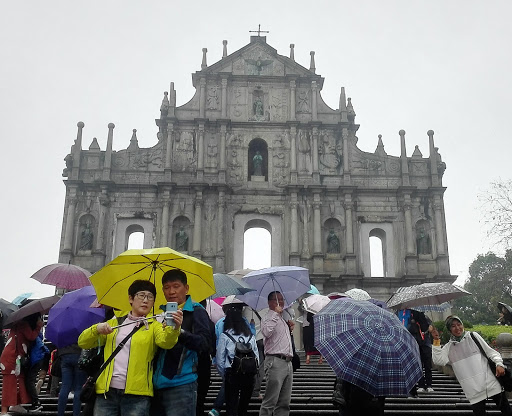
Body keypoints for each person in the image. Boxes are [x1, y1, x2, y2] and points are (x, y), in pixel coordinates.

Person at [78, 280, 181, 416]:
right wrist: (96, 329)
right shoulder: (115, 323)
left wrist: (174, 328)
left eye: (150, 297)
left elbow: (166, 342)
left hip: (138, 395)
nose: (145, 300)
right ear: (131, 299)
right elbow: (83, 342)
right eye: (141, 295)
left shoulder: (154, 326)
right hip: (107, 393)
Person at [152, 269, 211, 416]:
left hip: (182, 383)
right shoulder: (160, 314)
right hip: (155, 385)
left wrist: (180, 332)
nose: (171, 291)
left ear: (186, 288)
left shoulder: (196, 311)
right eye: (166, 287)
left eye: (176, 286)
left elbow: (205, 344)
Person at [432, 315, 512, 416]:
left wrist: (499, 364)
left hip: (491, 385)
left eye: (459, 324)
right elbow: (438, 360)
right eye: (453, 326)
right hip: (473, 392)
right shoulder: (449, 348)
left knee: (507, 411)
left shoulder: (473, 336)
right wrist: (436, 341)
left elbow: (491, 353)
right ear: (449, 330)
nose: (457, 328)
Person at [216, 303, 259, 416]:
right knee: (243, 407)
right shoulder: (250, 336)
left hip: (232, 374)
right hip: (249, 374)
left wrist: (224, 375)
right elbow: (256, 357)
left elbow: (220, 359)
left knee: (231, 406)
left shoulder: (225, 336)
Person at [0, 312, 44, 415]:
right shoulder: (23, 324)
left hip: (14, 357)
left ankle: (15, 404)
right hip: (12, 357)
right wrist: (38, 327)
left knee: (19, 380)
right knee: (9, 383)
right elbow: (31, 336)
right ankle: (3, 411)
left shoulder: (18, 324)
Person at [259, 291, 294, 416]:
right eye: (276, 300)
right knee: (270, 401)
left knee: (284, 403)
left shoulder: (282, 318)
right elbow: (266, 332)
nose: (280, 302)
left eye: (282, 299)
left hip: (287, 362)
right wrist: (275, 314)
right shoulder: (267, 317)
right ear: (269, 302)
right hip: (275, 361)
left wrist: (289, 327)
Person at [401, 309, 434, 392]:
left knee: (427, 365)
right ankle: (421, 385)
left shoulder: (424, 317)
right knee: (418, 365)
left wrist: (430, 327)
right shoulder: (408, 317)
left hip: (425, 343)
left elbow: (429, 327)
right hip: (415, 343)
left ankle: (429, 384)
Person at [56, 342, 87, 416]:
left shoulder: (63, 333)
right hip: (79, 354)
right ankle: (76, 413)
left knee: (65, 386)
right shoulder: (79, 333)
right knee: (78, 388)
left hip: (64, 355)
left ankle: (60, 413)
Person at [25, 332, 49, 412]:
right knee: (30, 380)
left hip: (36, 357)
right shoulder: (36, 334)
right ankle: (35, 401)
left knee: (29, 381)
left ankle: (36, 402)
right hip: (40, 356)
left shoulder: (31, 333)